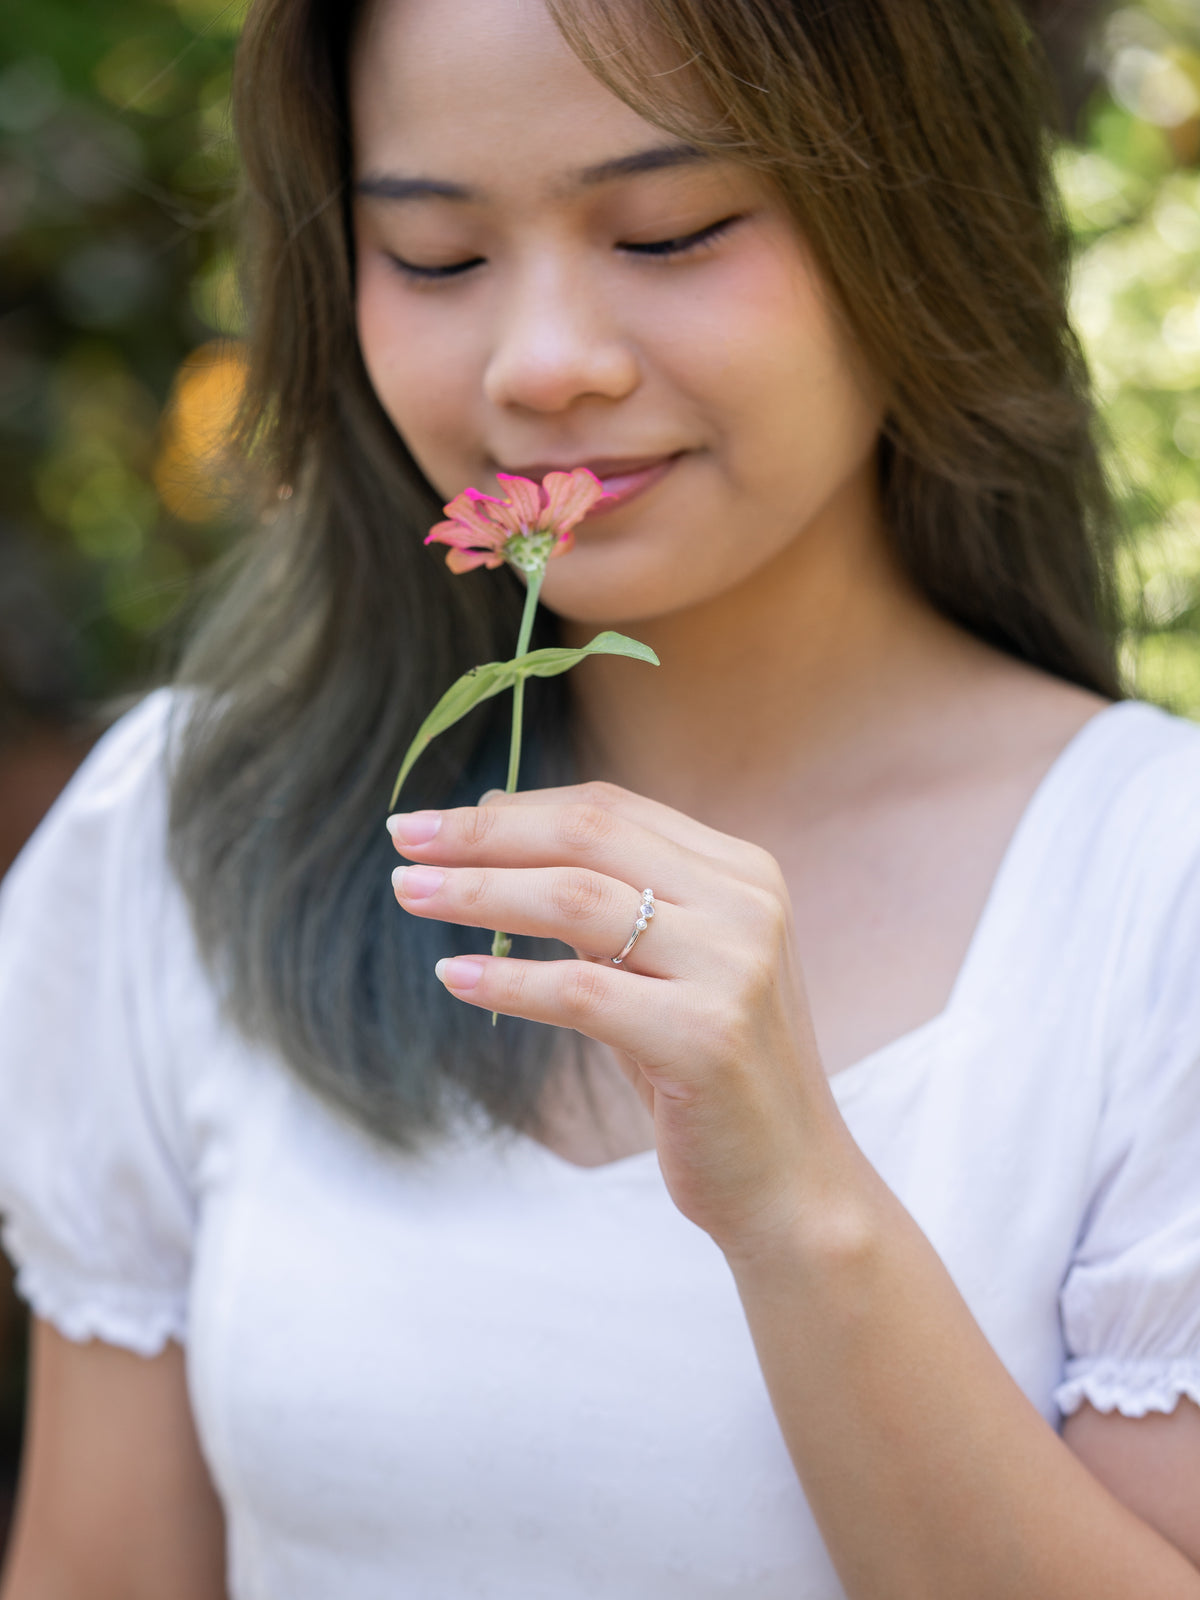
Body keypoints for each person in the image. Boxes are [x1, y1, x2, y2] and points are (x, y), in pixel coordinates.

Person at [1, 0, 1198, 1593]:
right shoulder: (186, 829)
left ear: (921, 216)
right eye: (435, 256)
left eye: (669, 231)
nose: (544, 364)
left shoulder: (1155, 888)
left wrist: (804, 1213)